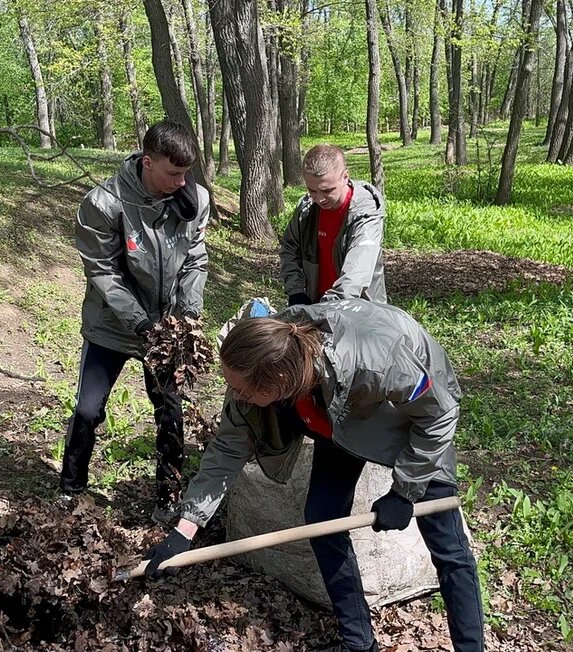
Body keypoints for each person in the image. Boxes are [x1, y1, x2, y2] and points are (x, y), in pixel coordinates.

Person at [143, 299, 484, 652]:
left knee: (448, 546)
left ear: (275, 379)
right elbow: (228, 449)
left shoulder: (374, 362)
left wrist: (404, 492)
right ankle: (359, 643)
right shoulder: (266, 358)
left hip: (412, 418)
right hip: (336, 423)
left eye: (244, 390)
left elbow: (439, 413)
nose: (238, 396)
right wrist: (185, 528)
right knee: (322, 518)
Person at [60, 120, 209, 526]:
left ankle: (168, 495)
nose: (181, 183)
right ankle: (70, 491)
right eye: (172, 174)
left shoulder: (194, 198)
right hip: (112, 325)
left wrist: (187, 315)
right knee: (88, 410)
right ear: (147, 162)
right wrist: (141, 324)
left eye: (185, 173)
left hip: (166, 328)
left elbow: (196, 259)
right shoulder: (104, 203)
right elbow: (103, 271)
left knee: (170, 411)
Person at [280, 145, 387, 307]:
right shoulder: (307, 210)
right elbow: (289, 248)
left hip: (359, 310)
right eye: (312, 190)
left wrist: (329, 308)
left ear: (345, 177)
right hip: (316, 304)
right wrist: (296, 292)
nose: (319, 198)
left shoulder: (365, 215)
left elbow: (357, 272)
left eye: (327, 190)